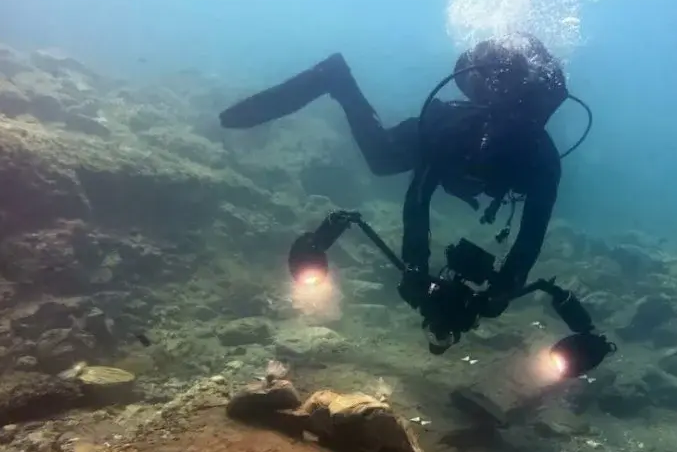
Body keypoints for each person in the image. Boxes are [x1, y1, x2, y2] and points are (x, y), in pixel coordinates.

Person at [219, 33, 583, 321]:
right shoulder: (460, 132)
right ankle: (336, 77)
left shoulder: (541, 163)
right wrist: (415, 266)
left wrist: (507, 286)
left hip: (454, 145)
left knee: (383, 162)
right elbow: (420, 195)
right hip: (433, 132)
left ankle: (337, 78)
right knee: (380, 159)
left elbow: (530, 237)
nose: (498, 138)